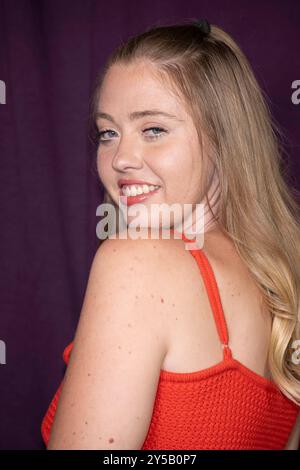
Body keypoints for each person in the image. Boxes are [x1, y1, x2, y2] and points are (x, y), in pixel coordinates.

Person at [41, 19, 300, 450]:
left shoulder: (136, 261)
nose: (120, 158)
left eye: (154, 129)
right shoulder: (284, 279)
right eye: (108, 132)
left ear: (225, 138)